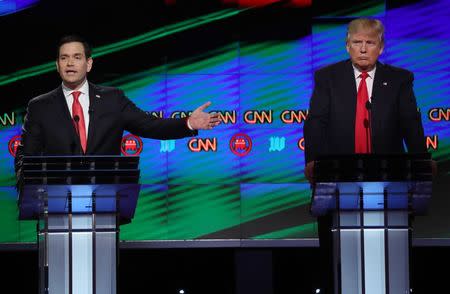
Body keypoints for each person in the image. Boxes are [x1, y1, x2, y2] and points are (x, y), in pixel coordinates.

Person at [303, 18, 427, 293]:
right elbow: (315, 123)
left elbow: (410, 123)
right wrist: (312, 161)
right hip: (337, 180)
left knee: (391, 254)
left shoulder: (399, 79)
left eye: (369, 43)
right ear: (347, 46)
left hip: (388, 182)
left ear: (380, 48)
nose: (362, 49)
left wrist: (420, 162)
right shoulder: (328, 78)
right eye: (357, 43)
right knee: (335, 259)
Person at [15, 34, 221, 173]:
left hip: (104, 200)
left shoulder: (112, 99)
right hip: (55, 205)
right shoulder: (40, 106)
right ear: (57, 65)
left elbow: (150, 125)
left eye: (77, 57)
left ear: (88, 64)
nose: (70, 63)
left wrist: (189, 123)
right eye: (64, 58)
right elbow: (27, 157)